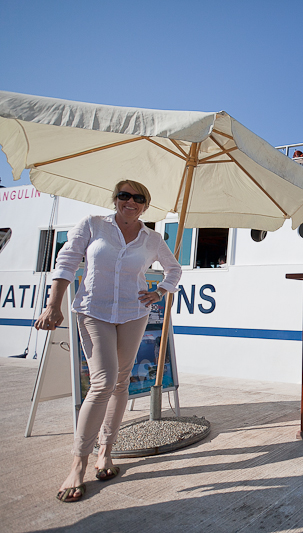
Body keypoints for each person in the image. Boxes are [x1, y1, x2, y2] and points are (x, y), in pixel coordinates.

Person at [35, 180, 182, 503]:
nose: (130, 201)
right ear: (115, 199)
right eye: (124, 195)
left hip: (134, 312)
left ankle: (106, 453)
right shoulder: (93, 225)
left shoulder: (152, 238)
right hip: (93, 311)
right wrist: (53, 305)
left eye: (138, 197)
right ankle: (78, 463)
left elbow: (174, 270)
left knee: (120, 383)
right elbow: (67, 262)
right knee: (102, 383)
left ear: (146, 204)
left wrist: (159, 292)